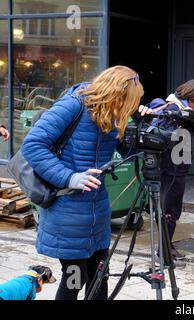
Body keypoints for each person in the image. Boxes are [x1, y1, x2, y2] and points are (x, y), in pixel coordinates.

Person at [21, 65, 149, 300]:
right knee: (74, 281)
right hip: (67, 212)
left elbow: (130, 149)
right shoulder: (73, 105)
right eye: (129, 101)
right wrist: (70, 177)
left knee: (100, 279)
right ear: (116, 93)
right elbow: (32, 145)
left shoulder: (112, 113)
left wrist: (141, 124)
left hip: (97, 212)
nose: (128, 107)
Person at [146, 79, 194, 262]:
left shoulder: (183, 108)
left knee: (170, 207)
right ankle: (163, 254)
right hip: (170, 169)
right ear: (190, 98)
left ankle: (166, 245)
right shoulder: (172, 110)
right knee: (170, 209)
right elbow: (162, 137)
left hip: (176, 166)